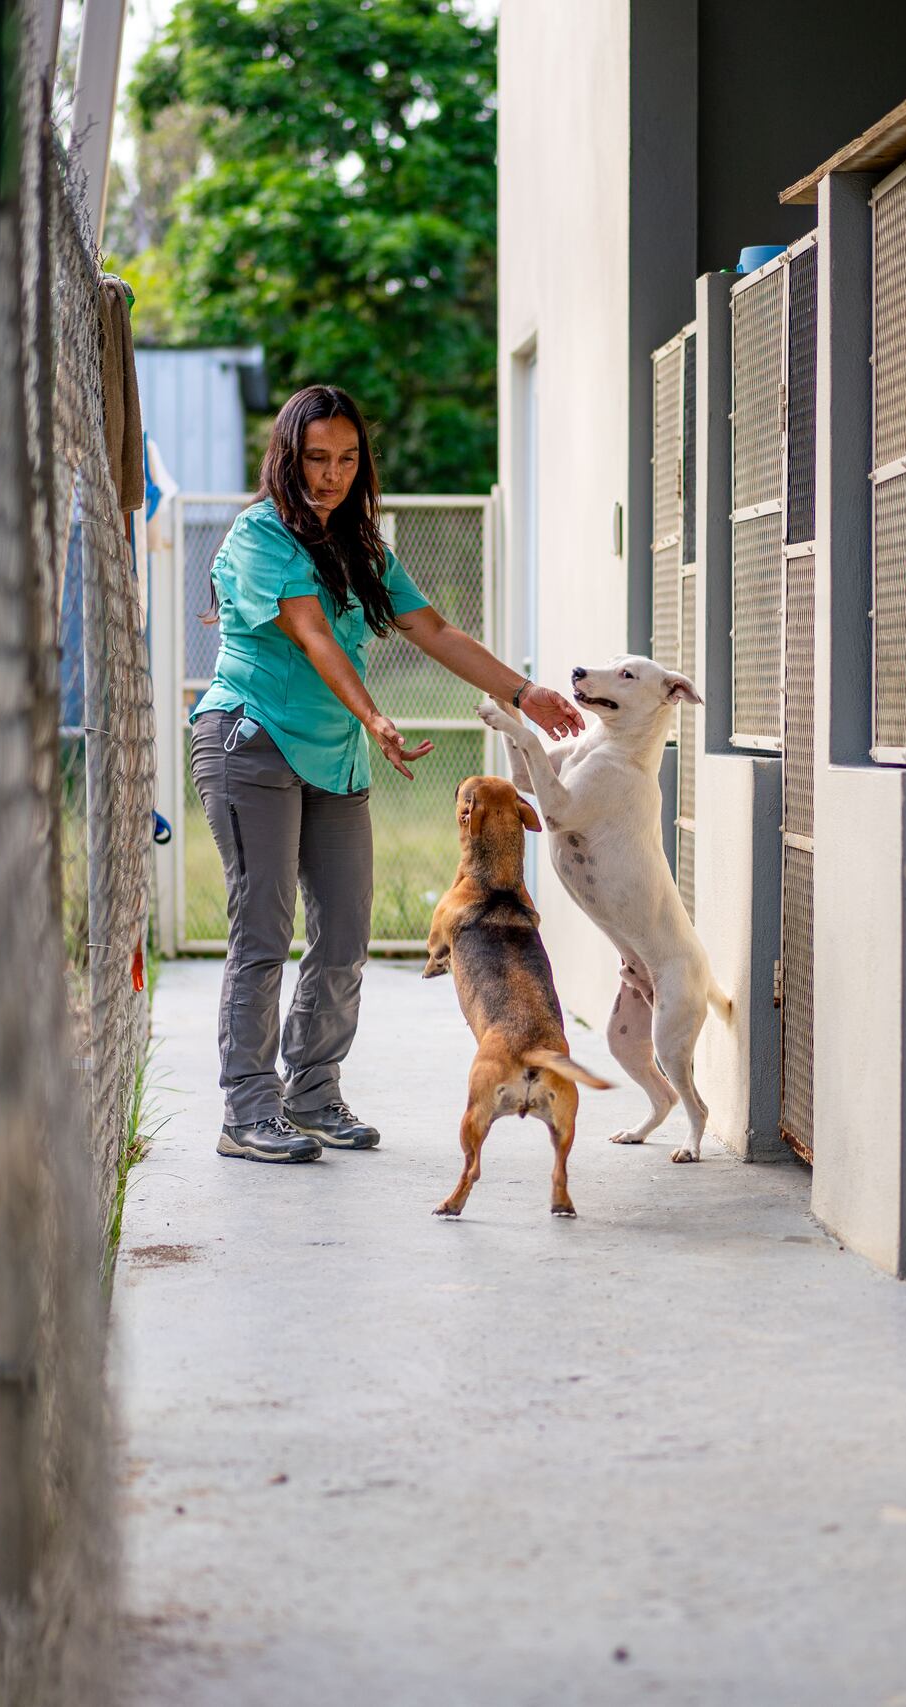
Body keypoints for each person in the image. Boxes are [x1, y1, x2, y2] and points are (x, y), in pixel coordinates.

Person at [190, 384, 585, 1164]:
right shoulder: (259, 534)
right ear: (287, 457)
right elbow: (311, 635)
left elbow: (431, 627)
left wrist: (522, 691)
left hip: (332, 753)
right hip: (252, 740)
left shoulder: (361, 544)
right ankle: (247, 1108)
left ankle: (312, 1092)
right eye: (315, 459)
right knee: (264, 928)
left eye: (345, 459)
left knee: (343, 935)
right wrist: (375, 715)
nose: (331, 475)